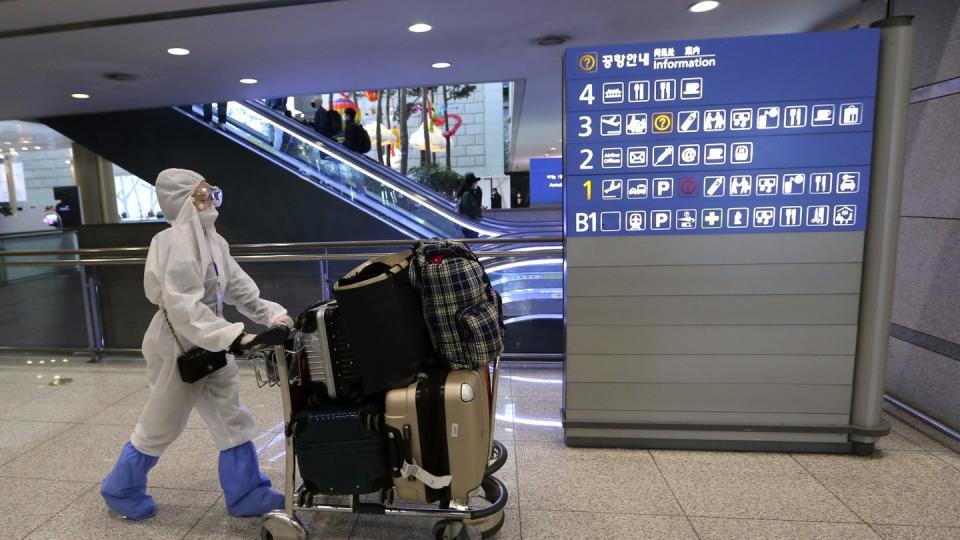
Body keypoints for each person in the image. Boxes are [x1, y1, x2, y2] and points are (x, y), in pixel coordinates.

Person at [100, 168, 294, 521]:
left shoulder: (214, 241)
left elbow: (238, 288)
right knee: (162, 421)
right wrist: (237, 337)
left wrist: (273, 316)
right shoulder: (170, 242)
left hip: (212, 340)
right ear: (181, 202)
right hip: (178, 343)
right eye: (200, 195)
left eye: (210, 193)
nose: (209, 201)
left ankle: (247, 492)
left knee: (231, 416)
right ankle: (120, 488)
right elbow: (183, 306)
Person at [456, 173, 482, 238]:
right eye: (475, 182)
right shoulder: (467, 194)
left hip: (469, 225)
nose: (476, 184)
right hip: (470, 225)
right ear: (472, 183)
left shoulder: (468, 194)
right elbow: (469, 210)